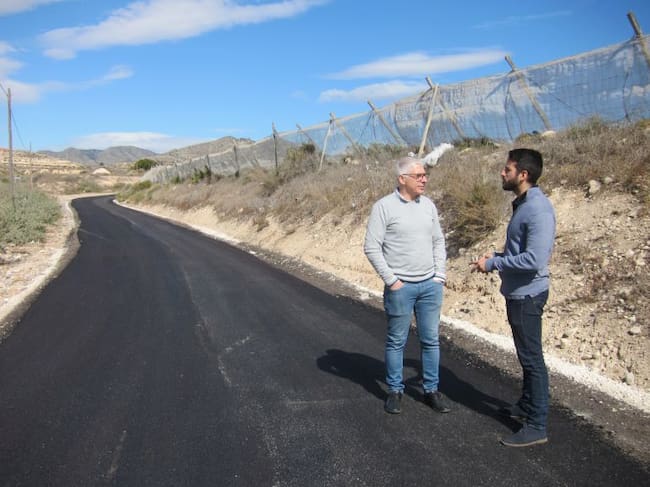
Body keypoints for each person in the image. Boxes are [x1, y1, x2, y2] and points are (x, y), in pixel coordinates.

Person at [471, 148, 556, 447]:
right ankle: (527, 404)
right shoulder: (524, 205)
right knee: (526, 355)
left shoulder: (538, 209)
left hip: (528, 295)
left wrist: (495, 263)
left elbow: (534, 259)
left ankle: (537, 425)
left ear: (523, 174)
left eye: (507, 169)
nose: (502, 173)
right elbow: (520, 251)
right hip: (519, 293)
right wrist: (494, 256)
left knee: (532, 360)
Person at [364, 156, 451, 415]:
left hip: (430, 286)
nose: (424, 179)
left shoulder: (428, 206)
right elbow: (371, 247)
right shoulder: (383, 207)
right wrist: (392, 281)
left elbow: (438, 241)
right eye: (418, 176)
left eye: (425, 175)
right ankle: (395, 390)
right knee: (396, 341)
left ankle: (431, 390)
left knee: (430, 340)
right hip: (401, 289)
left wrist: (439, 275)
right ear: (402, 179)